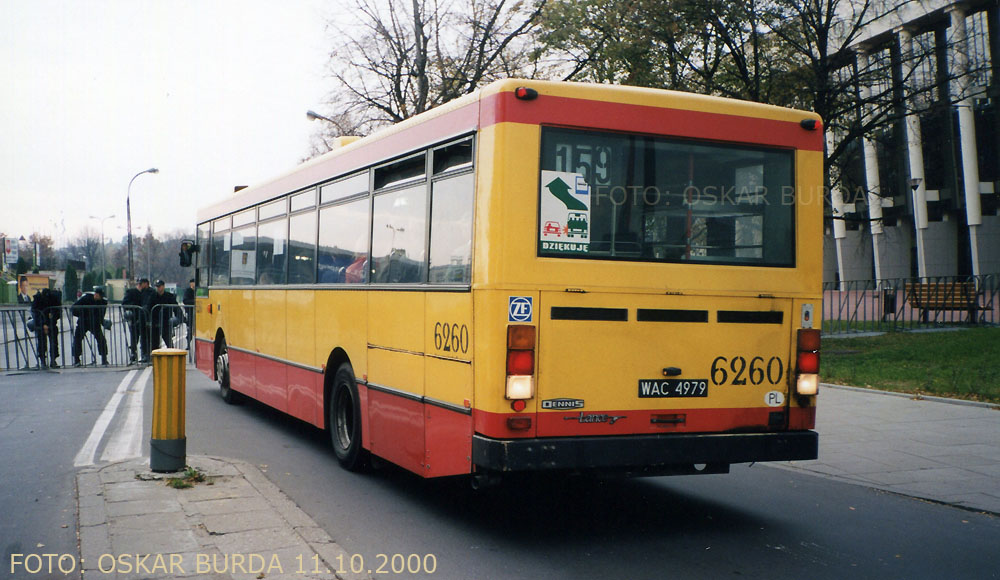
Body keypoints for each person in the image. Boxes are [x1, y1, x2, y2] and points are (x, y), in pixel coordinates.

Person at [71, 287, 109, 367]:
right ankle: (76, 359)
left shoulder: (103, 302)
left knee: (101, 340)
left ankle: (104, 359)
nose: (100, 297)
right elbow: (74, 309)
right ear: (96, 294)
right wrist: (82, 314)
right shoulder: (86, 298)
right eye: (99, 295)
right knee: (77, 339)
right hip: (83, 322)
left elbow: (101, 314)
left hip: (95, 324)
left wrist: (103, 323)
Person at [31, 287, 62, 368]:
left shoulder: (54, 299)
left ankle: (51, 360)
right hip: (42, 325)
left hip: (50, 324)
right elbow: (36, 313)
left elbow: (58, 312)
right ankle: (44, 361)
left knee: (53, 343)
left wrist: (49, 323)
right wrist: (43, 324)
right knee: (43, 343)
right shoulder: (38, 299)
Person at [122, 278, 149, 364]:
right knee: (134, 336)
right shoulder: (131, 292)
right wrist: (134, 306)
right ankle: (133, 353)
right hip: (134, 317)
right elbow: (125, 303)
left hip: (143, 318)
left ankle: (144, 353)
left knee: (144, 337)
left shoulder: (145, 293)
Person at [147, 279, 178, 350]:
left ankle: (172, 357)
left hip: (165, 322)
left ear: (163, 286)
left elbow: (176, 307)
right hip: (155, 322)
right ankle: (155, 359)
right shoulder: (152, 296)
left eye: (159, 286)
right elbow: (148, 308)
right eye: (157, 287)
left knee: (169, 342)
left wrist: (179, 317)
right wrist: (148, 320)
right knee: (154, 343)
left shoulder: (169, 296)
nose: (158, 288)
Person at [182, 278, 195, 344]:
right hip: (189, 312)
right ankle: (188, 342)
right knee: (189, 328)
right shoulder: (188, 291)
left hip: (198, 313)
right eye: (193, 282)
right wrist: (195, 302)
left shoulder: (198, 290)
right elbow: (185, 300)